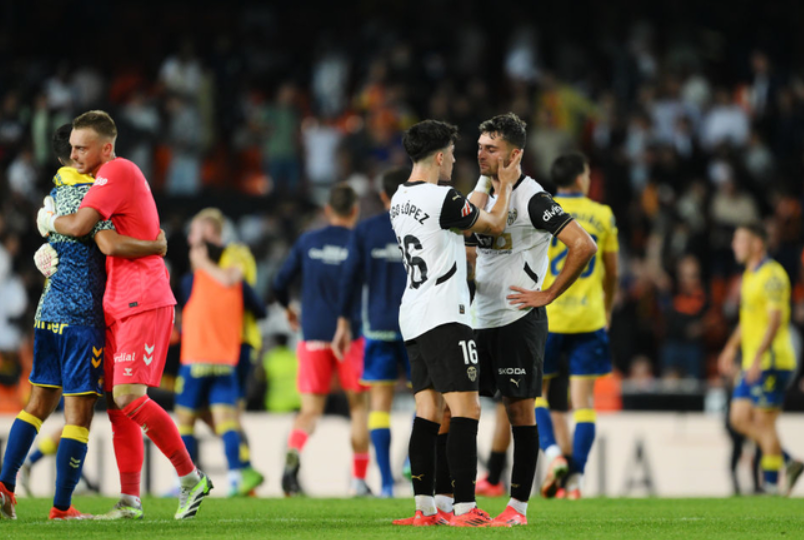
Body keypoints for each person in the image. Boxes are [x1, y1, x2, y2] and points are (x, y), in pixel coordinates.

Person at [35, 110, 212, 520]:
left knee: (129, 397)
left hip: (142, 299)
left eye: (82, 148)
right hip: (117, 303)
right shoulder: (102, 185)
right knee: (118, 407)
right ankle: (130, 500)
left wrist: (48, 221)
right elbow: (107, 242)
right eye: (72, 147)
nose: (73, 155)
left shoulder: (117, 171)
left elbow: (80, 227)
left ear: (106, 148)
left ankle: (190, 477)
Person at [0, 123, 166, 521]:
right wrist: (156, 245)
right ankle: (61, 507)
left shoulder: (55, 195)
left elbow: (58, 235)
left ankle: (4, 486)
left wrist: (47, 235)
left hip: (47, 313)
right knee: (78, 416)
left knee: (37, 405)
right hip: (82, 318)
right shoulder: (94, 196)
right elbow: (106, 242)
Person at [390, 119, 520, 527]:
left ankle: (425, 510)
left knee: (428, 411)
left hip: (413, 314)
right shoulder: (441, 198)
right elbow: (493, 223)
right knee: (467, 408)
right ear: (440, 156)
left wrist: (480, 186)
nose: (454, 161)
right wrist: (506, 185)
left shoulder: (399, 198)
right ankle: (465, 507)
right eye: (451, 154)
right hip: (446, 314)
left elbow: (458, 218)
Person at [467, 117, 597, 524]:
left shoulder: (533, 198)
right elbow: (471, 246)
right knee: (457, 409)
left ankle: (517, 509)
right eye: (480, 146)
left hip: (517, 320)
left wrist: (548, 293)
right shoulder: (483, 194)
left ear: (515, 154)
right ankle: (457, 504)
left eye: (491, 148)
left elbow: (583, 245)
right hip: (477, 318)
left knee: (519, 413)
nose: (481, 153)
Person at [272, 184, 371, 497]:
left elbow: (279, 283)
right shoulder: (359, 241)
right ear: (354, 211)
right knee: (359, 409)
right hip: (350, 335)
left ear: (328, 210)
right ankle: (358, 482)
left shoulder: (308, 241)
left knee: (310, 411)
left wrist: (288, 308)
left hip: (313, 333)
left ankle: (294, 453)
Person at [534, 152, 618, 500]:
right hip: (589, 318)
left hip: (549, 316)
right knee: (583, 402)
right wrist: (607, 309)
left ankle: (554, 455)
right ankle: (577, 480)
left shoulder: (541, 209)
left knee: (535, 394)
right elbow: (612, 272)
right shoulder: (603, 214)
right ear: (582, 178)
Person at [174, 209, 266, 497]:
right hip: (221, 351)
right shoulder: (211, 272)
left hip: (233, 345)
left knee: (205, 417)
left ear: (209, 233)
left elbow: (232, 283)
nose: (190, 240)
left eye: (194, 233)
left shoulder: (234, 255)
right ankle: (240, 471)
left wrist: (201, 265)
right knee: (220, 415)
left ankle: (214, 475)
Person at [332, 167, 411, 498]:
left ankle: (387, 485)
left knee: (379, 405)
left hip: (377, 326)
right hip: (416, 325)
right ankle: (411, 459)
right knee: (429, 400)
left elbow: (349, 278)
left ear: (382, 196)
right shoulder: (420, 225)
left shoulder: (365, 230)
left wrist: (343, 323)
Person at [718, 223, 803, 496]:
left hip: (773, 360)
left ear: (757, 244)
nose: (735, 245)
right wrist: (730, 348)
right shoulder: (748, 275)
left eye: (740, 240)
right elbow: (747, 321)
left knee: (764, 424)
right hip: (753, 362)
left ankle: (770, 487)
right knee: (738, 418)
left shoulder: (773, 275)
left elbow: (775, 321)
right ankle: (787, 461)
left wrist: (757, 356)